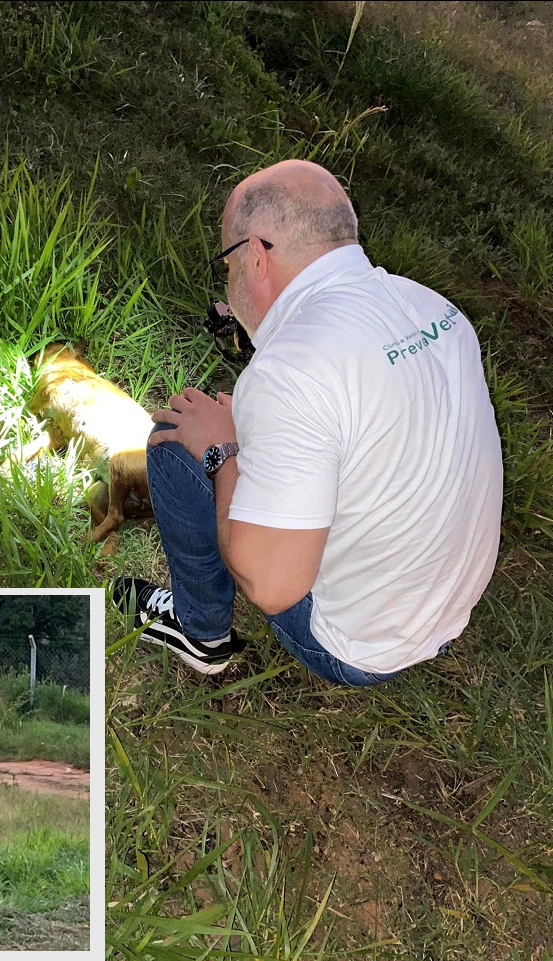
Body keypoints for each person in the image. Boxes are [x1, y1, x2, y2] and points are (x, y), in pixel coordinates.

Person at [113, 159, 503, 688]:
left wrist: (222, 451)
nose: (228, 283)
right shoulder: (433, 308)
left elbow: (270, 585)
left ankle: (200, 636)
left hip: (361, 648)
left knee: (172, 441)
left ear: (254, 255)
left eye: (226, 264)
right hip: (446, 611)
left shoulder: (292, 367)